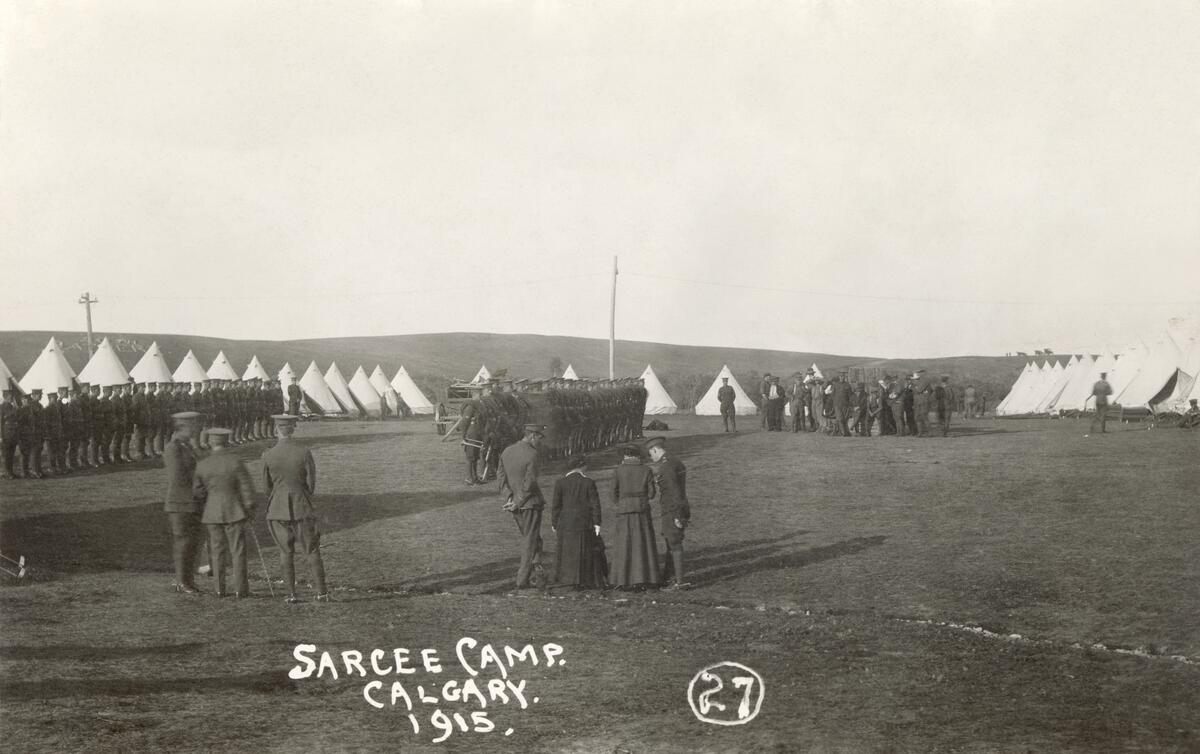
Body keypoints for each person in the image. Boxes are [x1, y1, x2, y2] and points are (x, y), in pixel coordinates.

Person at [262, 414, 328, 603]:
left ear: (276, 429)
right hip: (301, 505)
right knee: (312, 550)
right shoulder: (304, 452)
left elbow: (266, 488)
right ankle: (322, 592)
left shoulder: (268, 455)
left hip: (277, 508)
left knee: (285, 552)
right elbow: (311, 484)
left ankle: (291, 594)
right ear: (292, 429)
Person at [193, 428, 256, 598]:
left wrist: (207, 503)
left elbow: (198, 492)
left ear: (211, 442)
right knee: (238, 550)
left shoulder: (202, 464)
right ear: (226, 442)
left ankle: (219, 589)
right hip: (234, 511)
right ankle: (241, 589)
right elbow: (247, 489)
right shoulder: (235, 461)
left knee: (216, 551)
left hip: (212, 512)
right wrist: (250, 509)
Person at [498, 424, 547, 590]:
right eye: (540, 438)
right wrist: (518, 501)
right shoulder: (533, 454)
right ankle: (523, 579)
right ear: (533, 436)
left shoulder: (507, 451)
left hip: (515, 505)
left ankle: (537, 571)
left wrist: (510, 498)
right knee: (530, 540)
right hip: (530, 504)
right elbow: (530, 483)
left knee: (534, 538)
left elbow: (501, 478)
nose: (540, 442)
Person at [549, 454, 604, 589]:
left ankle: (566, 578)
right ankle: (584, 579)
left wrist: (554, 523)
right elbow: (595, 505)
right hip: (584, 522)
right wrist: (597, 522)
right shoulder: (588, 482)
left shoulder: (560, 483)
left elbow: (556, 506)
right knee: (584, 550)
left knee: (566, 551)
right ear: (582, 466)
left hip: (565, 522)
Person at [163, 411, 203, 594]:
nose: (196, 429)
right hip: (180, 502)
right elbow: (177, 477)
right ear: (182, 427)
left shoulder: (187, 446)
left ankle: (188, 580)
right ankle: (182, 581)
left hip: (191, 502)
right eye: (193, 426)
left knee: (192, 542)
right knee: (183, 542)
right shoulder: (173, 448)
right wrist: (199, 488)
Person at [610, 443, 659, 589]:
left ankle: (622, 579)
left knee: (623, 544)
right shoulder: (646, 469)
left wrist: (622, 501)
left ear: (626, 455)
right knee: (644, 544)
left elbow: (612, 494)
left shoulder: (618, 470)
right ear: (638, 455)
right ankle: (646, 578)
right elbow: (651, 494)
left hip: (624, 509)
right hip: (641, 508)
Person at [646, 436, 691, 589]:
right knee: (671, 543)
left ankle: (679, 582)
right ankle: (670, 578)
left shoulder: (666, 467)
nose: (651, 458)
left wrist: (677, 515)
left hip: (672, 510)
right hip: (677, 507)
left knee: (674, 543)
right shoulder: (675, 461)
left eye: (651, 454)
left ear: (655, 450)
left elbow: (674, 491)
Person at [19, 389, 45, 478]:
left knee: (38, 451)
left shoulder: (40, 406)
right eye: (38, 395)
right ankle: (34, 471)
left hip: (38, 432)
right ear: (33, 396)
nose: (40, 396)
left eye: (40, 394)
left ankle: (38, 470)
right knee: (33, 452)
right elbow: (24, 421)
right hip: (31, 433)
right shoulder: (29, 407)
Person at [459, 399, 485, 485]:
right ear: (475, 394)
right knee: (470, 457)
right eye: (478, 394)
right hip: (471, 435)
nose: (480, 396)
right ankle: (469, 478)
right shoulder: (470, 407)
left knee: (475, 457)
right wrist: (463, 435)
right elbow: (464, 422)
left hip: (477, 435)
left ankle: (475, 477)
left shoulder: (478, 406)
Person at [1, 389, 20, 479]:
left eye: (11, 396)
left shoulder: (12, 407)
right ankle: (7, 472)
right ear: (5, 396)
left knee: (11, 454)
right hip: (5, 434)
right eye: (9, 396)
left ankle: (11, 471)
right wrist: (0, 436)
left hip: (13, 434)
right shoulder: (1, 407)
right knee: (6, 454)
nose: (11, 398)